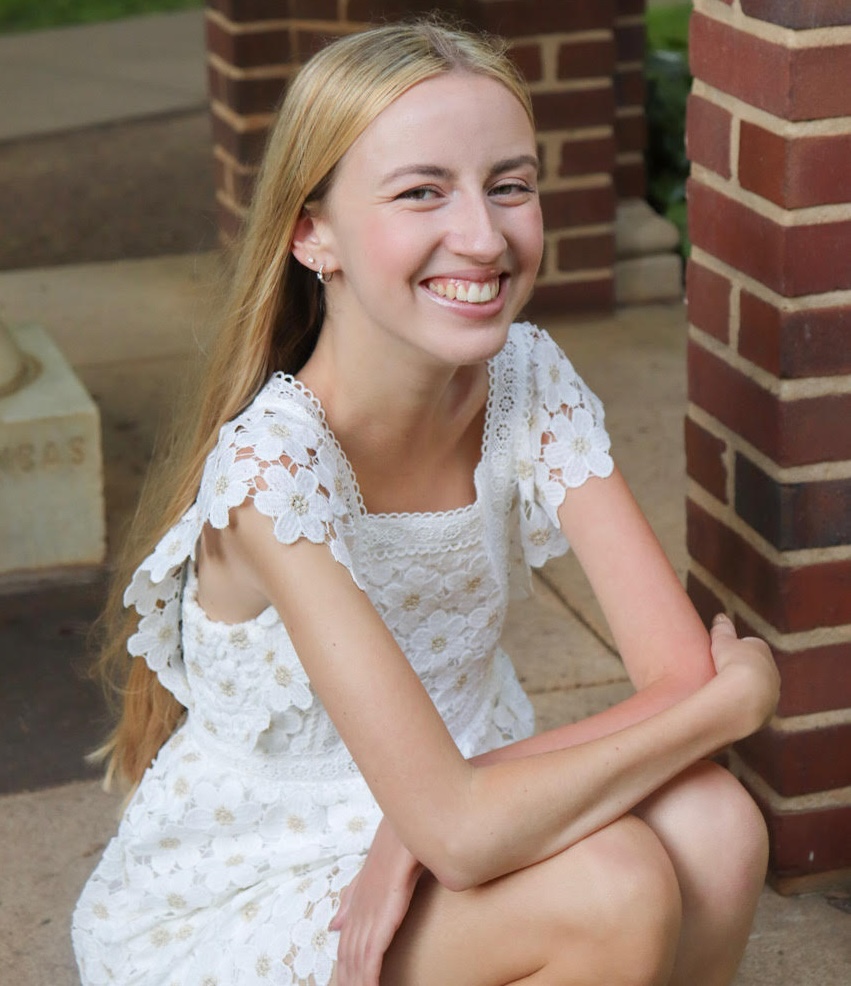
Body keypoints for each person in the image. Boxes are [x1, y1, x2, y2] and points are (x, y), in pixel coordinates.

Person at [73, 17, 780, 986]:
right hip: (259, 874)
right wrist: (732, 701)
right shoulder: (274, 470)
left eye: (509, 185)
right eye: (420, 192)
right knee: (610, 886)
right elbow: (472, 818)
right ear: (311, 233)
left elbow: (663, 675)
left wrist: (446, 809)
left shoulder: (524, 378)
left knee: (716, 825)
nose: (483, 236)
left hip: (459, 791)